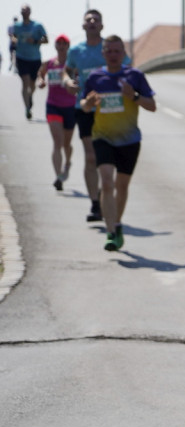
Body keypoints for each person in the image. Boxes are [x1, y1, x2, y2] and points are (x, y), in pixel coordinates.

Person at [80, 35, 155, 252]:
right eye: (109, 51)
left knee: (121, 186)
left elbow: (152, 105)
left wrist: (134, 97)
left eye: (117, 51)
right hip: (102, 136)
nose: (113, 55)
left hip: (130, 140)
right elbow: (84, 106)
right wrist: (89, 103)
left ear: (123, 53)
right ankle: (111, 232)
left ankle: (118, 224)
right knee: (106, 181)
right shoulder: (96, 77)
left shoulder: (134, 76)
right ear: (103, 54)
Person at [64, 9, 130, 223]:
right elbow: (67, 70)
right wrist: (68, 82)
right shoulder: (76, 51)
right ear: (83, 26)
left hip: (110, 110)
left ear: (102, 26)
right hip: (84, 108)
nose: (92, 22)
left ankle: (105, 193)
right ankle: (95, 203)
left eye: (96, 20)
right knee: (91, 156)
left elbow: (128, 68)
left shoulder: (109, 49)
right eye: (88, 19)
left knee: (109, 159)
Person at [38, 34, 75, 191]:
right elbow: (40, 74)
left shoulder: (72, 64)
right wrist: (41, 81)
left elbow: (78, 79)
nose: (61, 46)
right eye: (58, 43)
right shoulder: (49, 63)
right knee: (57, 142)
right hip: (53, 106)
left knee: (66, 144)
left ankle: (67, 163)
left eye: (64, 43)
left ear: (68, 46)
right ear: (55, 46)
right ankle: (58, 176)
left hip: (70, 106)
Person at [10, 4, 47, 119]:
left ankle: (30, 97)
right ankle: (27, 108)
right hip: (21, 58)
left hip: (35, 58)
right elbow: (13, 36)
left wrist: (35, 41)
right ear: (20, 13)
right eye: (22, 11)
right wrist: (15, 40)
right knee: (25, 82)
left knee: (32, 84)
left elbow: (46, 39)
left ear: (30, 12)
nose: (24, 12)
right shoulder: (17, 26)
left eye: (26, 11)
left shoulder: (37, 26)